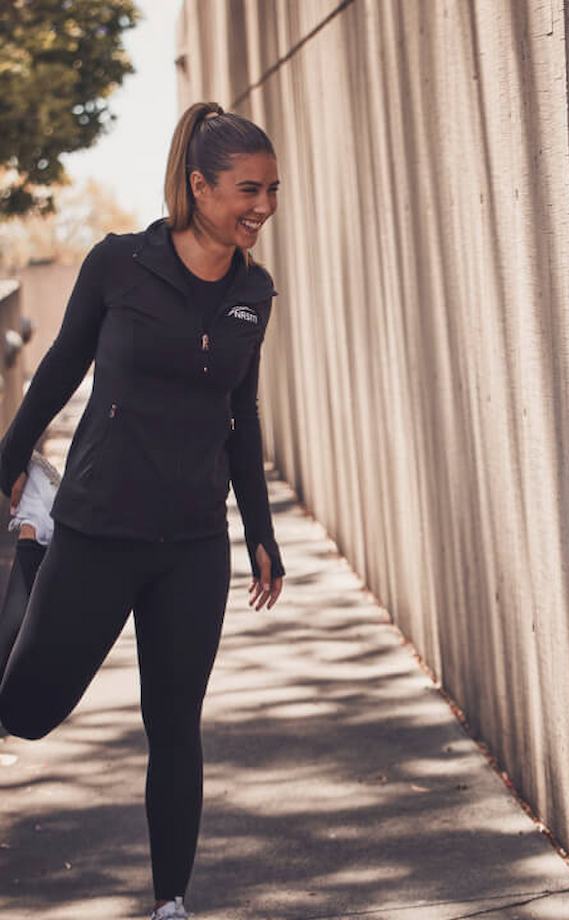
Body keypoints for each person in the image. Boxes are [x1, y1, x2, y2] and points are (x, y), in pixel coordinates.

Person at [0, 101, 285, 920]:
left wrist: (259, 530)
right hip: (94, 529)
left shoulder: (253, 294)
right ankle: (31, 546)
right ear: (198, 187)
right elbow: (58, 365)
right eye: (246, 190)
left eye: (270, 191)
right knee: (25, 713)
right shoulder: (120, 264)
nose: (261, 207)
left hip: (193, 544)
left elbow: (244, 417)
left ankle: (171, 903)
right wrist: (12, 459)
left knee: (176, 726)